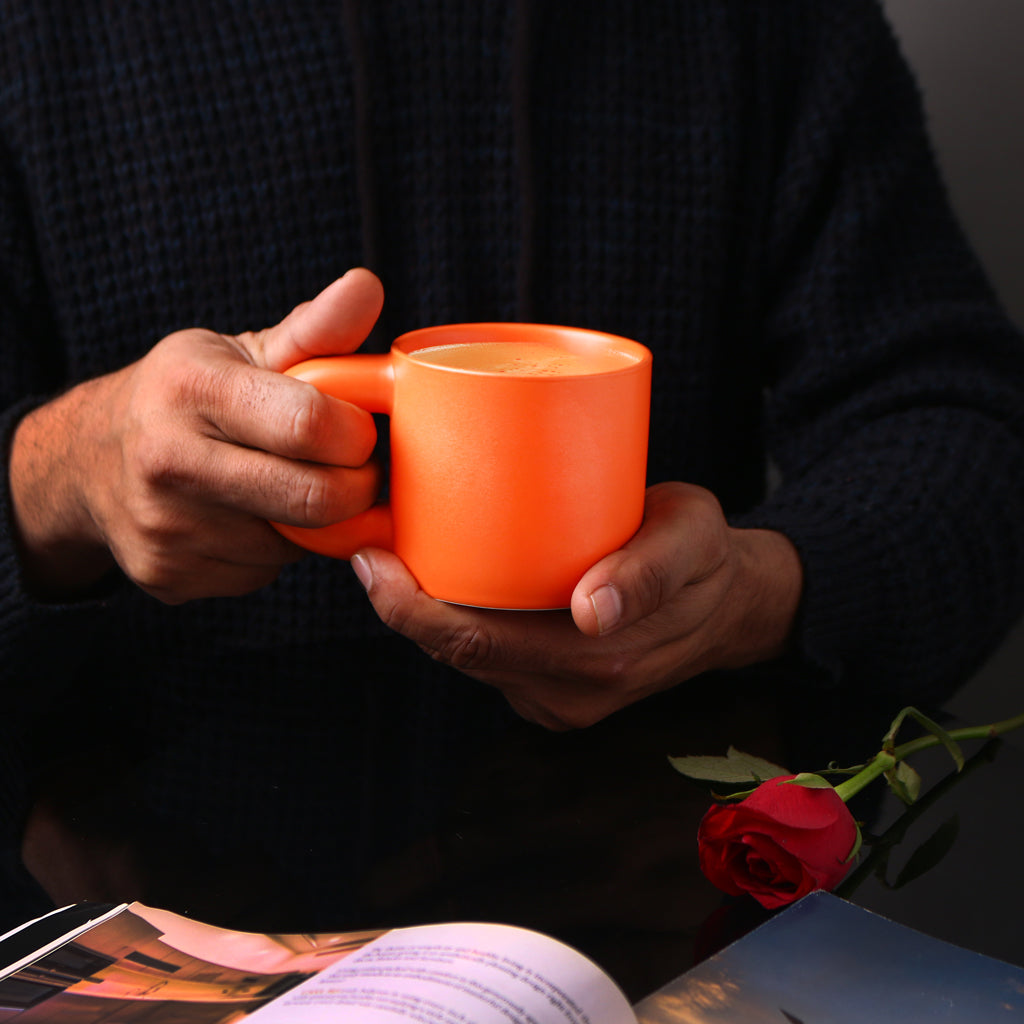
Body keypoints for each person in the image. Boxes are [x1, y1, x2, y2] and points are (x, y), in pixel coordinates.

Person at [0, 0, 1021, 939]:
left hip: (639, 915)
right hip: (137, 898)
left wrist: (755, 591)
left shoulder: (763, 25)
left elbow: (961, 431)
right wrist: (60, 472)